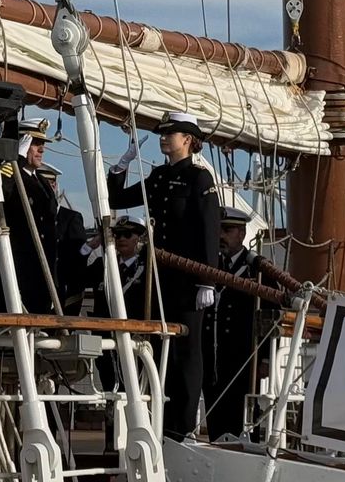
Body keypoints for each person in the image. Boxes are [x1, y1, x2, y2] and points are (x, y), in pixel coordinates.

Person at [107, 112, 220, 440]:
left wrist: (207, 280)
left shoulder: (200, 179)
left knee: (186, 352)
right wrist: (120, 167)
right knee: (158, 347)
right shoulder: (157, 178)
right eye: (162, 133)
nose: (163, 138)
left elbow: (208, 231)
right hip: (159, 279)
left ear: (187, 140)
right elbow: (118, 199)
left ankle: (183, 425)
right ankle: (162, 420)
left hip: (190, 279)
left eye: (170, 134)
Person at [0, 118, 59, 314]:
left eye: (42, 144)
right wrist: (15, 161)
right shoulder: (9, 178)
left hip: (41, 279)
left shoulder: (43, 183)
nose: (41, 149)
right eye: (34, 143)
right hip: (15, 279)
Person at [203, 206, 277, 442]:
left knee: (241, 415)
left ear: (242, 233)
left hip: (244, 357)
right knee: (215, 413)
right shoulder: (209, 266)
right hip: (214, 355)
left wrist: (265, 358)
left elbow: (270, 315)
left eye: (228, 230)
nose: (221, 236)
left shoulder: (257, 270)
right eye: (219, 230)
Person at [88, 216, 150, 390]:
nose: (121, 239)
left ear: (140, 238)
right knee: (110, 386)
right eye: (117, 234)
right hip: (106, 340)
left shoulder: (147, 269)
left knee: (135, 388)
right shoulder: (103, 266)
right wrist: (91, 245)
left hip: (135, 340)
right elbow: (74, 273)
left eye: (127, 234)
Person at [35, 163, 89, 315]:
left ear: (54, 186)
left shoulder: (70, 219)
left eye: (47, 186)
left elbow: (78, 261)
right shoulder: (29, 219)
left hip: (59, 293)